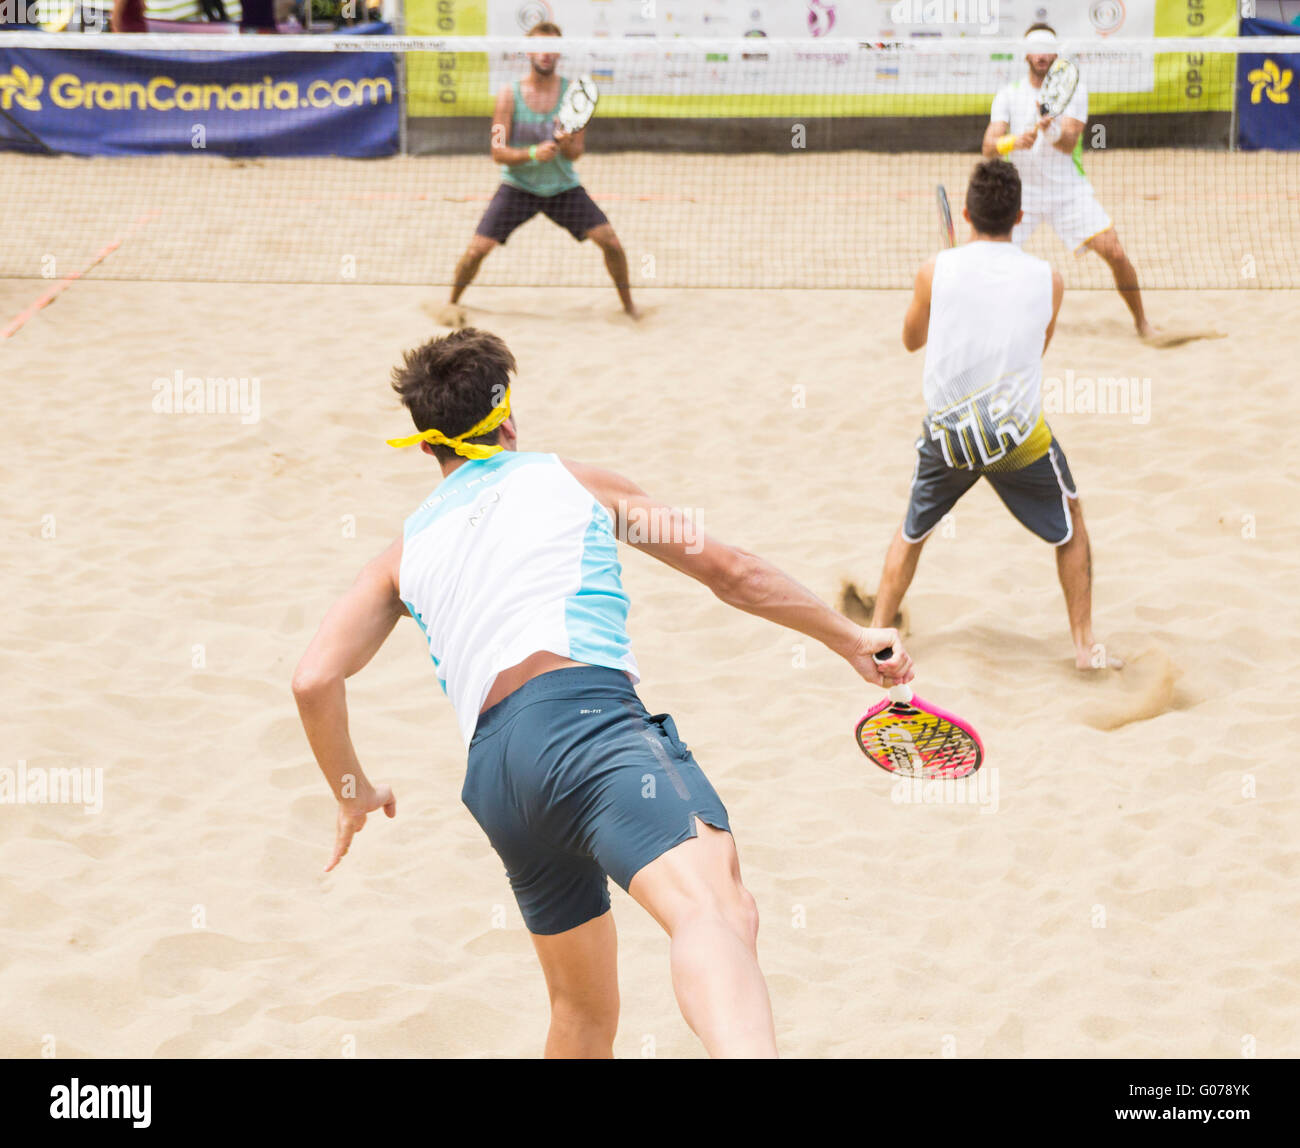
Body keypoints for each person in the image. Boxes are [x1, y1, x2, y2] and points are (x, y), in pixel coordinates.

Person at [292, 328, 913, 1058]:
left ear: (429, 446)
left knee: (582, 1015)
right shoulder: (578, 482)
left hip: (497, 778)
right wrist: (848, 638)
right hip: (584, 726)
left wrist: (351, 789)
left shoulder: (400, 555)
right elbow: (732, 573)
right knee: (715, 913)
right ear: (509, 419)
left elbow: (313, 678)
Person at [854, 159, 1117, 672]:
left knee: (913, 531)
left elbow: (910, 342)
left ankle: (878, 636)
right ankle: (1085, 648)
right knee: (1072, 523)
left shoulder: (935, 271)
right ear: (1020, 216)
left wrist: (943, 301)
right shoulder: (1049, 279)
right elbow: (1031, 352)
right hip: (1015, 437)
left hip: (949, 434)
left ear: (968, 215)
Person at [438, 21, 638, 324]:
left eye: (553, 49)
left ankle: (629, 308)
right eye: (541, 47)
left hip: (562, 188)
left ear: (560, 53)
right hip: (518, 187)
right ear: (528, 51)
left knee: (610, 242)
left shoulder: (574, 94)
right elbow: (497, 152)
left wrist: (567, 141)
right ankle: (450, 303)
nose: (546, 54)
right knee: (476, 251)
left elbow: (576, 154)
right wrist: (534, 153)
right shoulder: (509, 95)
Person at [983, 23, 1161, 342]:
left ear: (1055, 54)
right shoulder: (1008, 95)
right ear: (1026, 54)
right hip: (1021, 194)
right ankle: (982, 325)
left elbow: (1067, 142)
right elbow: (988, 148)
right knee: (988, 259)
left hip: (1067, 191)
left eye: (1048, 49)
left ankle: (1142, 323)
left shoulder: (1074, 91)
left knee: (1116, 253)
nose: (1042, 55)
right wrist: (1013, 142)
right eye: (1036, 49)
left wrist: (1048, 129)